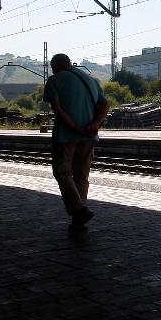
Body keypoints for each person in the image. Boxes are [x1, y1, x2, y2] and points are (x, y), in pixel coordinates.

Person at [44, 53, 109, 232]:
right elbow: (104, 105)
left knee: (62, 172)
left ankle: (79, 210)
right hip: (89, 135)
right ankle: (78, 221)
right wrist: (94, 125)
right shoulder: (91, 80)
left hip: (65, 136)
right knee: (81, 176)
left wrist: (74, 127)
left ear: (55, 67)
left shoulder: (54, 80)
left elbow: (57, 109)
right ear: (70, 64)